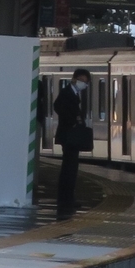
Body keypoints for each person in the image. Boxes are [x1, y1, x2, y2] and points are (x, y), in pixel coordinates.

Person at [53, 68, 91, 219]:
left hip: (70, 136)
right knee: (69, 168)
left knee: (71, 168)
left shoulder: (73, 93)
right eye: (82, 81)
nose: (84, 84)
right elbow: (58, 107)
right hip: (68, 136)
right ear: (75, 79)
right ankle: (65, 199)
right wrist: (73, 122)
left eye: (86, 82)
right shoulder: (66, 93)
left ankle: (68, 198)